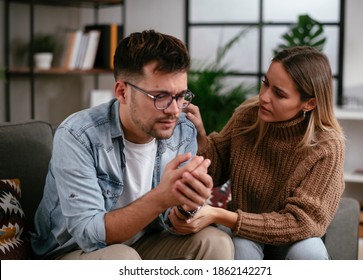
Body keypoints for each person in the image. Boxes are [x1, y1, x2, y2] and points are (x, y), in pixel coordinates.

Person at [30, 30, 234, 260]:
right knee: (123, 258)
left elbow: (170, 219)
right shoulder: (78, 135)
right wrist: (162, 197)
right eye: (160, 96)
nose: (175, 110)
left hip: (144, 242)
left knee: (216, 243)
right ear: (122, 92)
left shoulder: (182, 129)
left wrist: (187, 206)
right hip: (73, 252)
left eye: (180, 96)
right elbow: (89, 234)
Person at [173, 46, 345, 260]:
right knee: (242, 246)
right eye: (266, 84)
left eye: (279, 94)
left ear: (309, 103)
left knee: (309, 252)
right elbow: (215, 172)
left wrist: (219, 215)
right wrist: (200, 136)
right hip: (243, 234)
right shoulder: (249, 116)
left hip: (295, 239)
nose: (264, 97)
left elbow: (301, 223)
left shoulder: (327, 146)